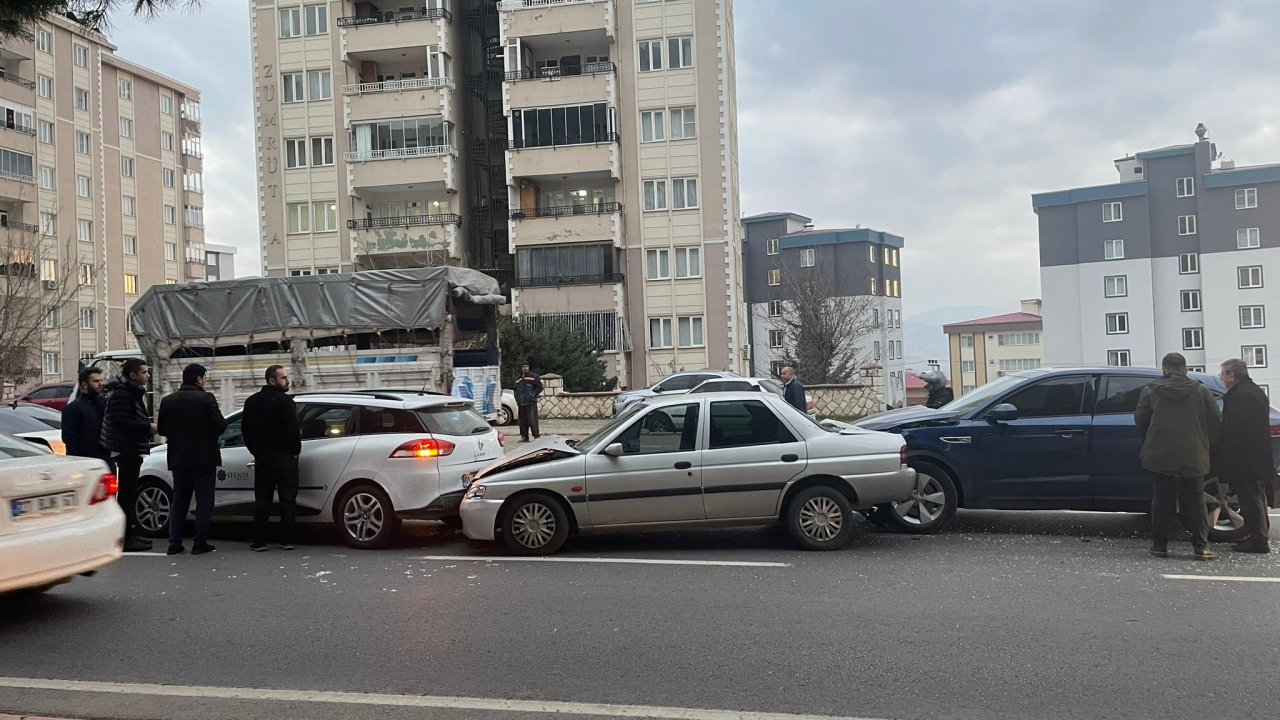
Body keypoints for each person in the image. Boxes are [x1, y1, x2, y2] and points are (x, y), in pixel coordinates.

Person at [1135, 352, 1221, 560]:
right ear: (1185, 368)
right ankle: (1201, 546)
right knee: (1196, 500)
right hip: (1194, 454)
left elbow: (1141, 420)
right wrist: (1202, 443)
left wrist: (1151, 441)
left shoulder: (1151, 390)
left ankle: (1159, 545)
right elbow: (1215, 422)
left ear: (1164, 369)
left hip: (1160, 454)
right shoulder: (1201, 391)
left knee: (1162, 499)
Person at [156, 364, 227, 556]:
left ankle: (174, 543)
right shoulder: (206, 399)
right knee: (204, 501)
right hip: (204, 458)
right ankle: (199, 542)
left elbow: (162, 429)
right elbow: (221, 425)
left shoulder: (168, 400)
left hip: (179, 458)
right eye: (204, 377)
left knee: (179, 500)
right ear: (198, 379)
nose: (205, 381)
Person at [1215, 358, 1273, 553]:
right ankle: (1252, 534)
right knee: (1251, 498)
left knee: (1251, 499)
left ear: (1232, 375)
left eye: (1223, 374)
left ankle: (1258, 540)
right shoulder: (1250, 391)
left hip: (1247, 459)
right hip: (1251, 457)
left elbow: (1239, 430)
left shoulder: (1243, 395)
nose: (1221, 377)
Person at [242, 365, 301, 552]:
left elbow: (246, 431)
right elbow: (293, 430)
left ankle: (259, 540)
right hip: (284, 457)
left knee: (262, 498)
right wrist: (294, 451)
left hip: (263, 458)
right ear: (272, 380)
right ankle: (287, 539)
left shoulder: (252, 402)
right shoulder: (286, 402)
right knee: (287, 498)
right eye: (283, 378)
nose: (287, 381)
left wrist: (255, 451)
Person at [100, 358, 156, 552]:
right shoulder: (123, 394)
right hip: (126, 450)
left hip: (130, 449)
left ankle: (131, 533)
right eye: (144, 372)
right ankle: (126, 537)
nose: (147, 376)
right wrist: (149, 428)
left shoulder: (130, 392)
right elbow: (121, 421)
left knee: (129, 493)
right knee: (127, 494)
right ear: (132, 375)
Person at [62, 367, 109, 463]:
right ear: (84, 385)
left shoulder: (105, 403)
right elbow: (69, 438)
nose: (100, 384)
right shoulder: (73, 408)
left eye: (101, 380)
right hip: (85, 460)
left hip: (106, 458)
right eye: (96, 381)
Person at [514, 363, 543, 443]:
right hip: (521, 403)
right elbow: (515, 389)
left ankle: (536, 436)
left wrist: (533, 394)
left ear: (529, 367)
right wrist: (517, 398)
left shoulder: (533, 376)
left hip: (530, 403)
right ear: (521, 368)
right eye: (524, 367)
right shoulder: (519, 378)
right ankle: (524, 437)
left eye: (527, 366)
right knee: (522, 421)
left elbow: (539, 388)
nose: (525, 368)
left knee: (532, 421)